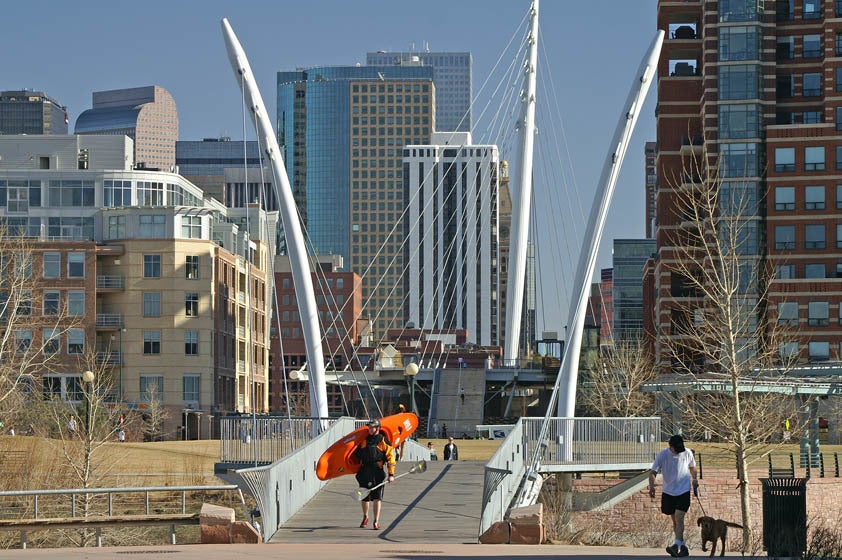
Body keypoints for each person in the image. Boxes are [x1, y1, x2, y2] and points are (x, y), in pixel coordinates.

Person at [649, 434, 698, 558]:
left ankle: (676, 545)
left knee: (679, 517)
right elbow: (653, 472)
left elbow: (692, 468)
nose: (679, 451)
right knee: (675, 521)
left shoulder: (687, 453)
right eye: (676, 448)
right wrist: (652, 486)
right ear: (670, 447)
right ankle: (683, 547)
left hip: (684, 490)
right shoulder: (663, 455)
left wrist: (695, 479)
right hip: (669, 492)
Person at [353, 419, 396, 530]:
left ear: (377, 428)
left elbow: (391, 458)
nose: (369, 429)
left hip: (377, 472)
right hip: (364, 472)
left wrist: (391, 474)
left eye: (371, 427)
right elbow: (356, 454)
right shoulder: (364, 440)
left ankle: (376, 521)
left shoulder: (383, 441)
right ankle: (365, 516)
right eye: (369, 427)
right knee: (364, 497)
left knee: (377, 497)